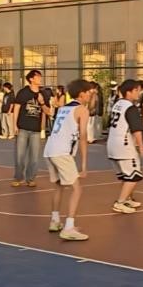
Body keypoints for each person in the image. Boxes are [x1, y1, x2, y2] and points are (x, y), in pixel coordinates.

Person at [43, 79, 91, 241]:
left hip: (50, 149)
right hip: (62, 152)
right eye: (89, 92)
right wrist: (83, 165)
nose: (90, 95)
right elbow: (83, 136)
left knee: (59, 186)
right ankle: (69, 227)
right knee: (77, 189)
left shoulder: (63, 108)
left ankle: (55, 221)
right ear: (82, 94)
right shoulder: (82, 110)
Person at [108, 79, 143, 214]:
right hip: (124, 146)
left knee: (125, 175)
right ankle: (120, 202)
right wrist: (141, 146)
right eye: (136, 90)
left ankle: (127, 199)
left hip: (112, 144)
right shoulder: (130, 108)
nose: (138, 93)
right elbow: (136, 129)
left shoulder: (117, 104)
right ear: (128, 92)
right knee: (134, 176)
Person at [12, 70, 51, 188]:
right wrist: (14, 125)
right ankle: (18, 178)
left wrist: (42, 102)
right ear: (31, 79)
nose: (40, 78)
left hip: (36, 129)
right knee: (20, 155)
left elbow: (48, 111)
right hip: (23, 127)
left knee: (34, 157)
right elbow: (16, 108)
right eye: (37, 77)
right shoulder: (23, 92)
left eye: (40, 76)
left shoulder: (43, 93)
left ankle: (31, 178)